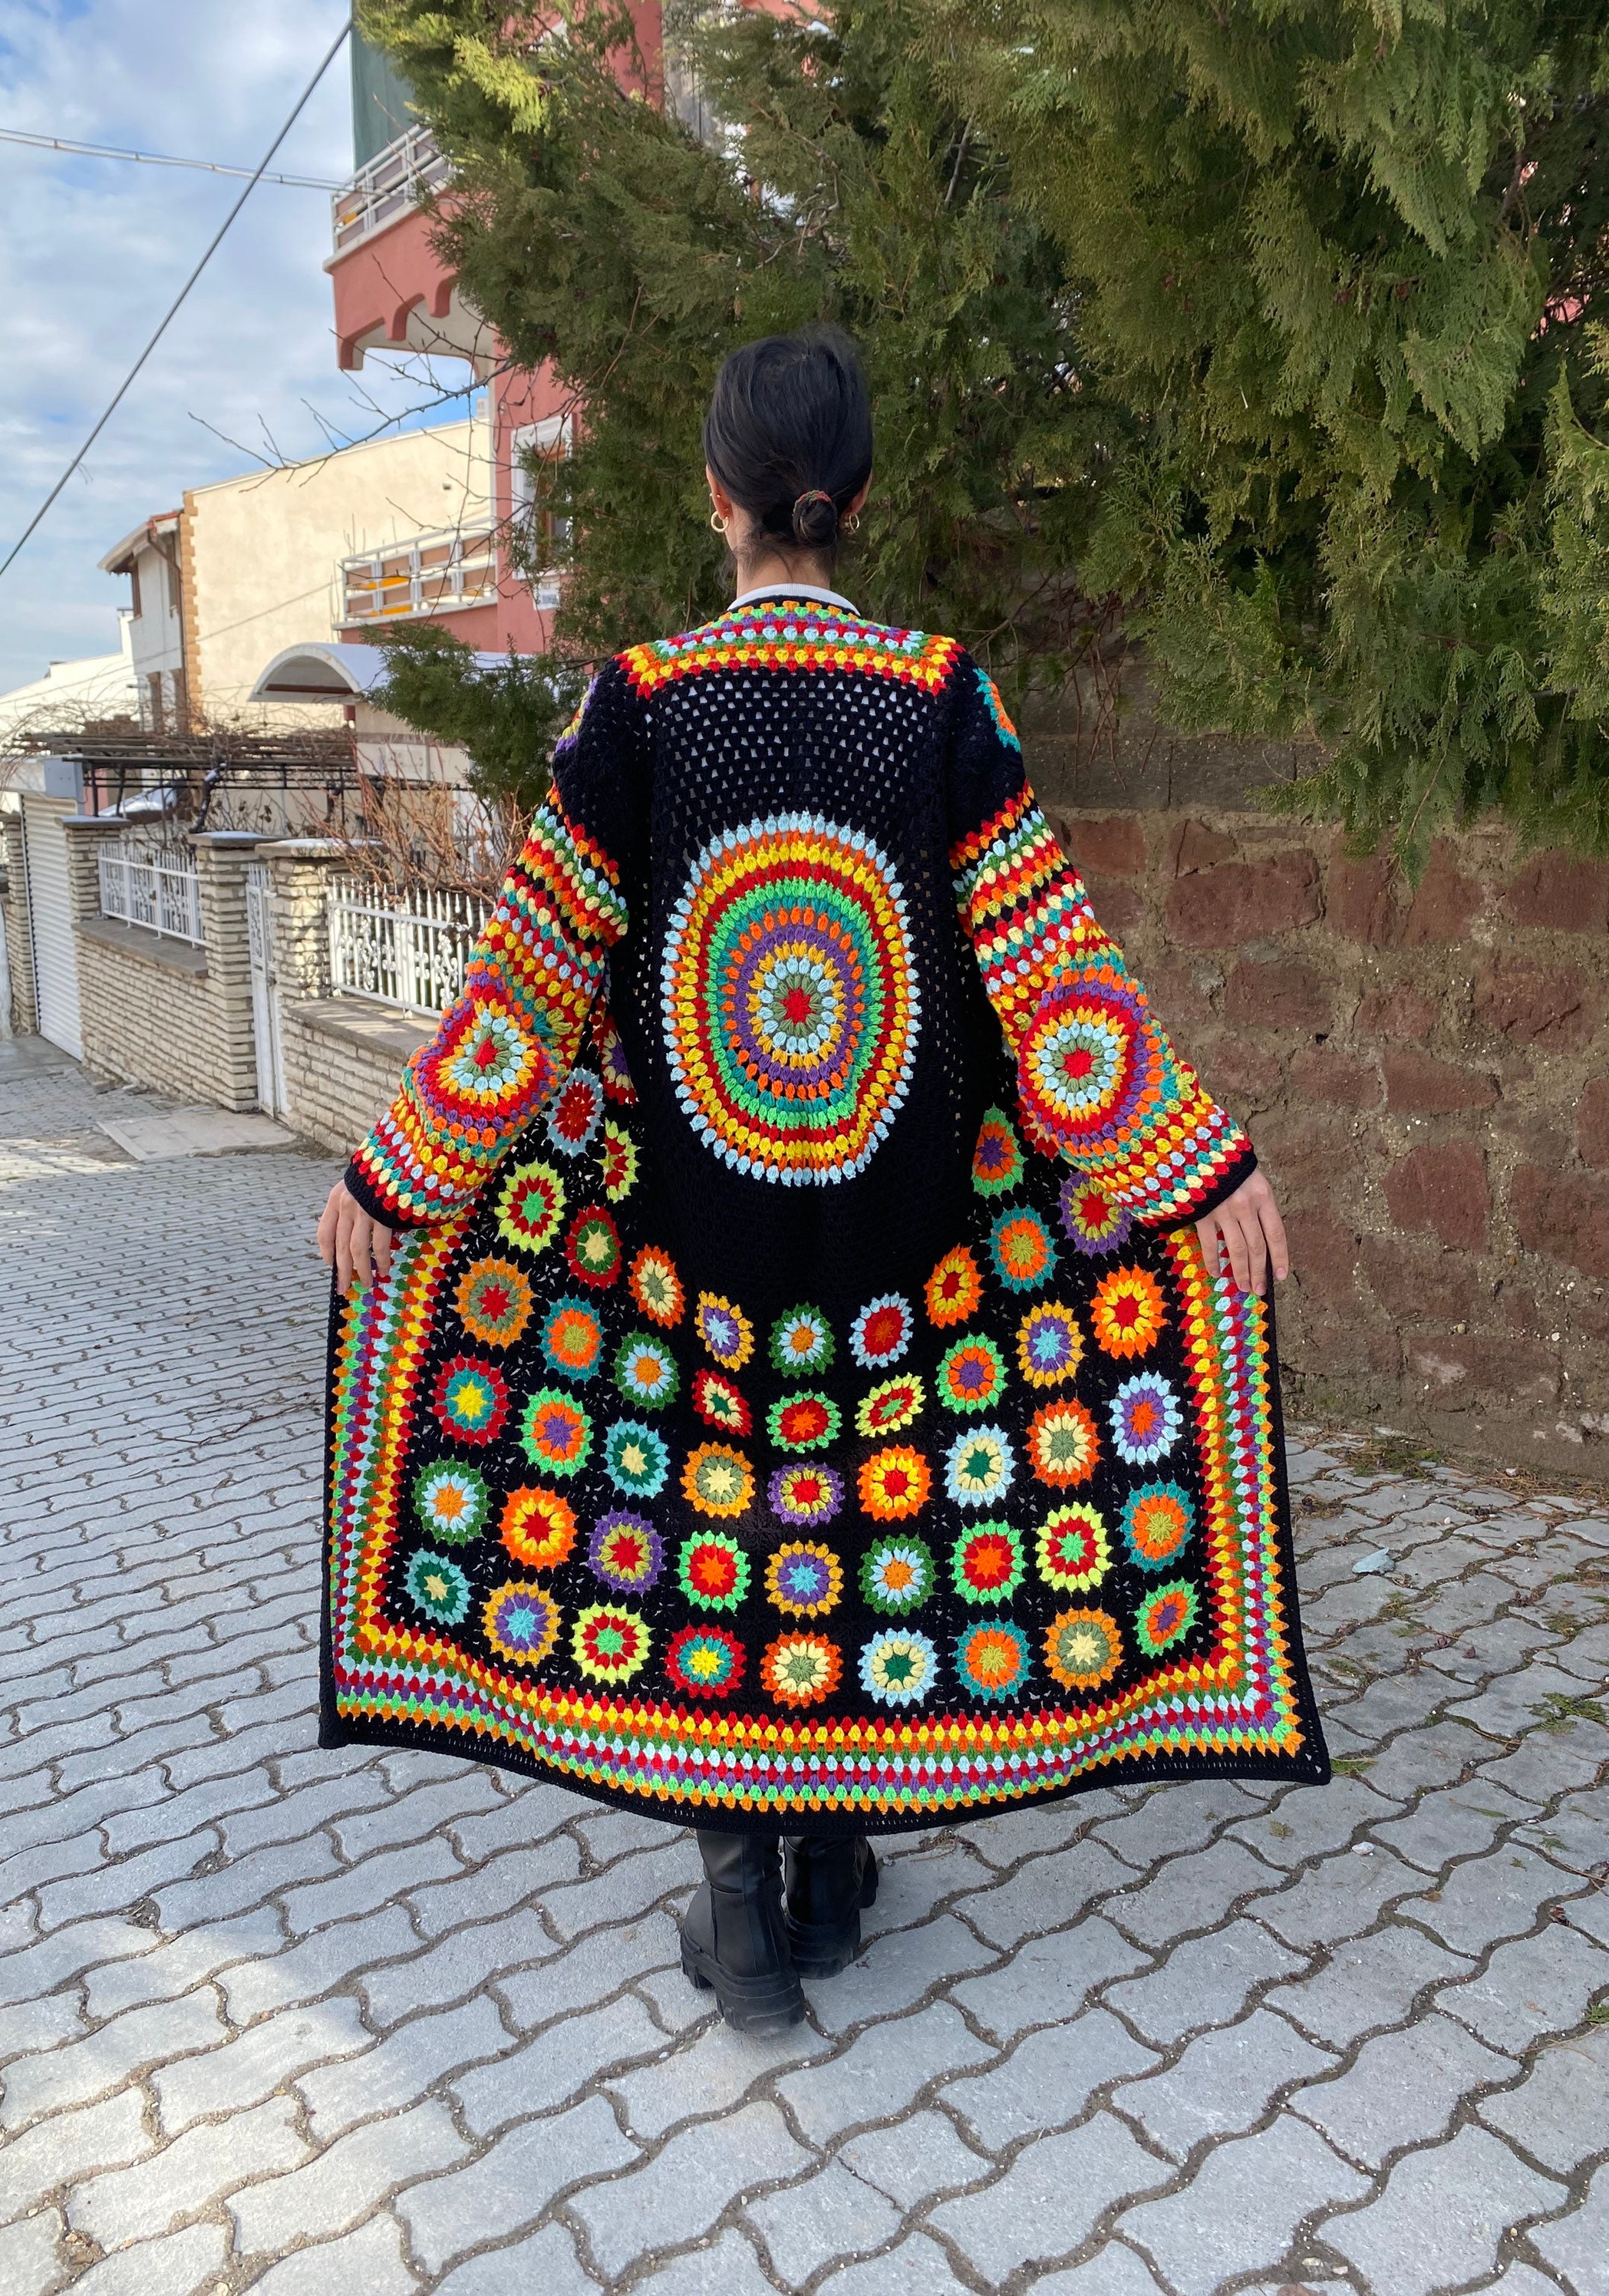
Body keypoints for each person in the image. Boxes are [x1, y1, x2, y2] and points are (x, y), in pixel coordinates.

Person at [316, 329, 1326, 2036]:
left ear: (717, 500)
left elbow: (529, 978)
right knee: (860, 1516)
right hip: (897, 1221)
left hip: (695, 1226)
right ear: (854, 502)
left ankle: (746, 1911)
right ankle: (838, 1880)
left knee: (712, 1520)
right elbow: (1050, 972)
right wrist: (1195, 1165)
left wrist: (400, 1173)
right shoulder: (944, 698)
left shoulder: (632, 706)